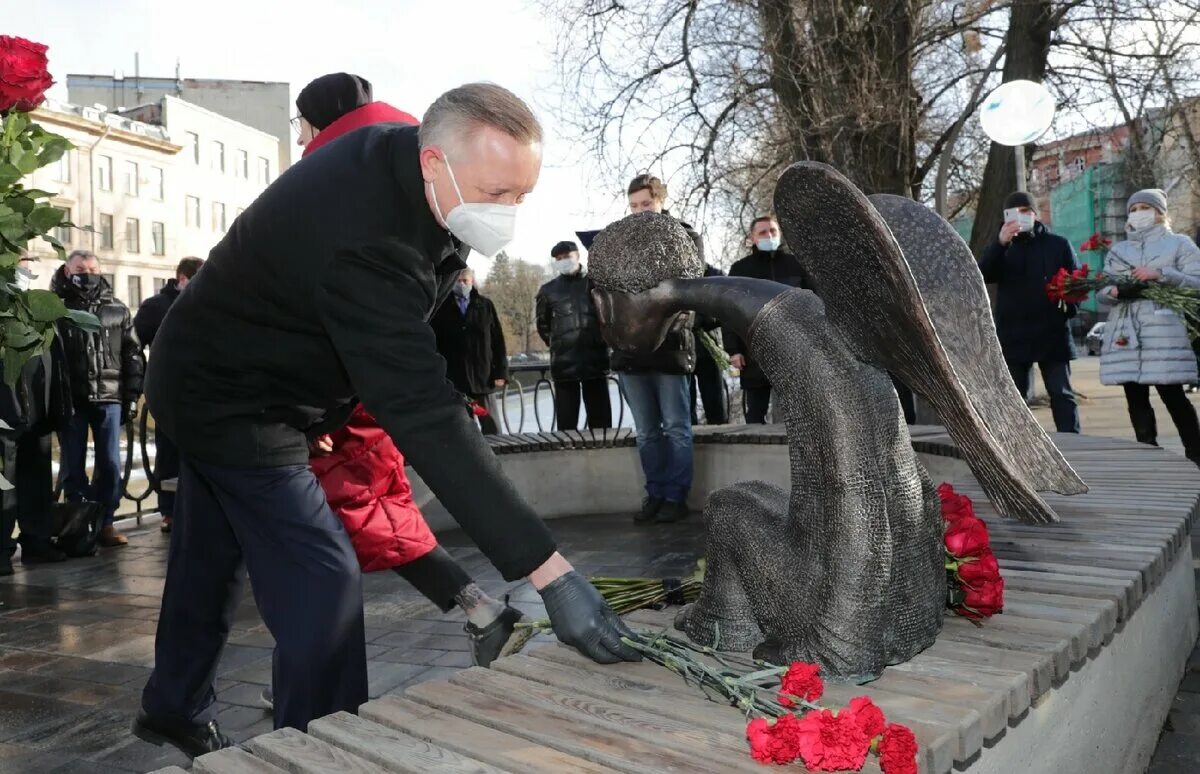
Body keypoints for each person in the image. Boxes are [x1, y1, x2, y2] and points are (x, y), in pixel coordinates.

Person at [136, 83, 638, 756]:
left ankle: (173, 707)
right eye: (496, 193)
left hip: (239, 373)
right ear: (434, 161)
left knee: (210, 556)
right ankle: (320, 749)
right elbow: (426, 413)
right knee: (322, 578)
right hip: (229, 397)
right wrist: (550, 575)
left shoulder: (416, 173)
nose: (509, 215)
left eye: (522, 195)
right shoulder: (371, 239)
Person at [613, 174, 698, 524]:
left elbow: (691, 288)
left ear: (661, 201)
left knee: (676, 426)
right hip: (631, 351)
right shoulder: (619, 240)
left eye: (646, 204)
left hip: (669, 346)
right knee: (646, 431)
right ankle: (656, 493)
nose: (639, 212)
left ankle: (676, 497)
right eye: (633, 206)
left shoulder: (684, 235)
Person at [1098, 189, 1200, 466]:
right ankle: (1149, 454)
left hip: (1163, 331)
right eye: (1133, 208)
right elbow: (1101, 291)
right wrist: (1115, 292)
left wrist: (1161, 274)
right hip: (1126, 333)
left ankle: (1195, 453)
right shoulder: (1119, 251)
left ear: (1159, 213)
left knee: (1173, 395)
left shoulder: (1179, 244)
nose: (1138, 213)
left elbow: (1196, 281)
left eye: (1145, 207)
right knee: (1135, 396)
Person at [52, 251, 144, 548]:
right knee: (72, 466)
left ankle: (105, 522)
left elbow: (132, 353)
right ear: (68, 271)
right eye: (80, 268)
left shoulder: (116, 308)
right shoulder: (55, 308)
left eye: (92, 268)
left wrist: (132, 395)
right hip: (71, 399)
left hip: (109, 398)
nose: (87, 273)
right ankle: (77, 526)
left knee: (109, 464)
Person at [978, 191, 1081, 434]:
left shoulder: (1058, 244)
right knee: (1016, 398)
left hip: (1052, 331)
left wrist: (1067, 310)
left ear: (1035, 214)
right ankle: (1021, 447)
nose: (1021, 217)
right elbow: (983, 274)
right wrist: (1000, 243)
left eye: (1026, 211)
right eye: (1014, 213)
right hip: (1014, 332)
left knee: (1061, 393)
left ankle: (1073, 443)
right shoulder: (1002, 246)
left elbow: (1076, 283)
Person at [1, 256, 72, 574]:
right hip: (6, 412)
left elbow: (56, 361)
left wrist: (59, 406)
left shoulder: (41, 311)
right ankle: (2, 549)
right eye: (20, 268)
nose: (27, 275)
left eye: (30, 268)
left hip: (39, 412)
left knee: (37, 480)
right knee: (6, 483)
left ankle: (37, 540)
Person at [134, 257, 204, 534]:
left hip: (203, 392)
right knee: (169, 454)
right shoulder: (156, 307)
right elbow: (134, 345)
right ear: (182, 279)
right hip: (169, 392)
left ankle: (196, 508)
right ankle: (170, 510)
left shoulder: (208, 302)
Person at [724, 215, 812, 423]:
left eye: (773, 231)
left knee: (797, 416)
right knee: (755, 415)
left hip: (794, 350)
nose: (769, 235)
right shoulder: (740, 270)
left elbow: (814, 305)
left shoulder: (796, 265)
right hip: (754, 350)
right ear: (752, 238)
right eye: (763, 232)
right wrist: (733, 350)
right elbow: (728, 311)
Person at [535, 240, 612, 430]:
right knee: (566, 425)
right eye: (558, 259)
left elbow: (610, 316)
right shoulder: (548, 290)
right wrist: (558, 343)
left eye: (567, 257)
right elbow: (542, 324)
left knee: (601, 423)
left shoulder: (596, 283)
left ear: (577, 255)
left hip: (595, 360)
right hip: (564, 364)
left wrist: (602, 340)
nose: (563, 261)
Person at [430, 268, 508, 434]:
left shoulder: (485, 305)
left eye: (465, 281)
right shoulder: (441, 307)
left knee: (491, 426)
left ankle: (498, 457)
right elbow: (434, 341)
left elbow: (497, 341)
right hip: (455, 379)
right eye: (458, 281)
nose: (462, 285)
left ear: (472, 281)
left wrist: (501, 371)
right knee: (462, 430)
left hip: (482, 377)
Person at [292, 72, 419, 153]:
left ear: (320, 123)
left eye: (300, 122)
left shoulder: (323, 183)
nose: (299, 140)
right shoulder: (409, 155)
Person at [690, 262, 728, 425]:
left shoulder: (714, 275)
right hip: (681, 352)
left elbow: (725, 309)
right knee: (685, 412)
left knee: (716, 408)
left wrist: (700, 318)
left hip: (709, 349)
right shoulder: (670, 275)